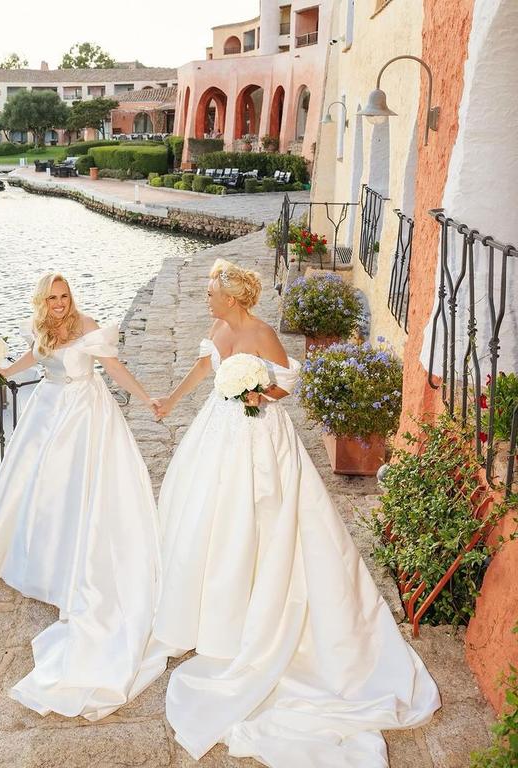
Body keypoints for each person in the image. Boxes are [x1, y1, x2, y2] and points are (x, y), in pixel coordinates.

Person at [152, 258, 440, 767]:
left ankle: (263, 610)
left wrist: (258, 393)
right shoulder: (220, 327)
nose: (208, 299)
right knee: (209, 521)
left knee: (264, 525)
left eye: (213, 292)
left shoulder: (262, 332)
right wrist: (170, 402)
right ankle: (211, 612)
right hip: (216, 433)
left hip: (259, 435)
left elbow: (288, 379)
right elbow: (205, 366)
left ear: (233, 298)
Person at [0, 271, 165, 720]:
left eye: (65, 296)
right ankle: (38, 560)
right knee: (39, 489)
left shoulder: (88, 326)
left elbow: (114, 369)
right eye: (53, 298)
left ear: (71, 297)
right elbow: (29, 358)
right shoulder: (41, 328)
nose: (60, 304)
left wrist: (148, 398)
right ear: (43, 301)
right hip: (47, 409)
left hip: (85, 412)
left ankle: (74, 566)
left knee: (79, 488)